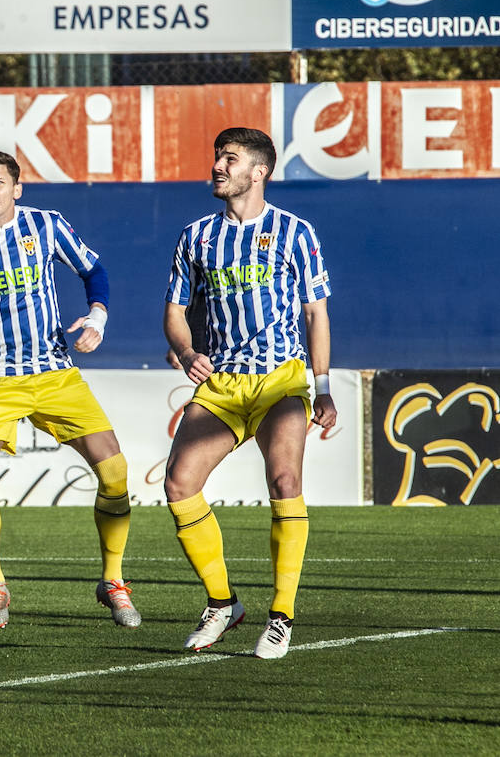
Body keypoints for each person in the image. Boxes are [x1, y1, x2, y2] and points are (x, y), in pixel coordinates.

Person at [0, 150, 140, 631]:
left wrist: (97, 317)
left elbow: (93, 271)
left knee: (116, 472)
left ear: (17, 188)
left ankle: (113, 580)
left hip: (54, 373)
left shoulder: (47, 225)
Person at [163, 127, 335, 660]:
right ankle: (223, 603)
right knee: (178, 484)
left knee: (284, 479)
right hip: (221, 385)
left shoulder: (295, 232)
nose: (217, 165)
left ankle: (280, 616)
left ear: (258, 172)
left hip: (281, 380)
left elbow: (315, 313)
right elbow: (174, 313)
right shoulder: (195, 236)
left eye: (230, 158)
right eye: (217, 156)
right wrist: (189, 352)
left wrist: (323, 387)